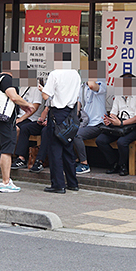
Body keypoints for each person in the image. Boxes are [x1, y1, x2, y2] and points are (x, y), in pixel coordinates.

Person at [40, 51, 82, 193]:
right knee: (68, 149)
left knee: (55, 151)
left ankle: (58, 185)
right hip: (70, 114)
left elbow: (46, 95)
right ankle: (72, 183)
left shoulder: (55, 74)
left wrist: (42, 89)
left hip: (57, 114)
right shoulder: (76, 74)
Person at [95, 75, 136, 176]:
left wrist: (121, 123)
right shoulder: (119, 96)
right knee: (100, 140)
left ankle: (123, 165)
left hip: (135, 127)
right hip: (120, 126)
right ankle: (114, 163)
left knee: (122, 142)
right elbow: (113, 113)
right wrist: (110, 120)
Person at [73, 75, 107, 175]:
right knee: (67, 132)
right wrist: (76, 116)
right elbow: (79, 102)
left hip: (98, 123)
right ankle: (74, 160)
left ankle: (84, 164)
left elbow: (92, 86)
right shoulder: (83, 86)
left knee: (77, 135)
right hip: (85, 122)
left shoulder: (102, 84)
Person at [10, 82, 47, 170]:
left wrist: (21, 118)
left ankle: (20, 157)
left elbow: (35, 107)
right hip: (22, 116)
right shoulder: (23, 86)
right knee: (10, 127)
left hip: (33, 118)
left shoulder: (37, 88)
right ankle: (10, 154)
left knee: (20, 128)